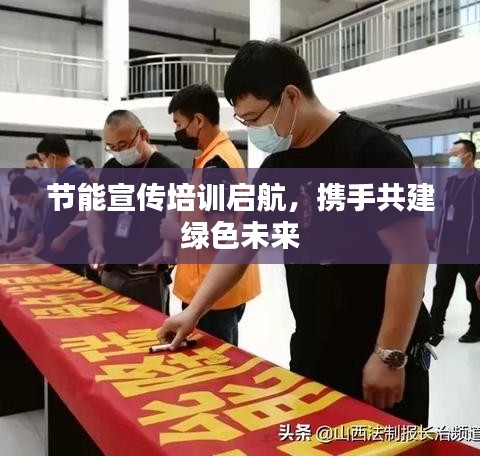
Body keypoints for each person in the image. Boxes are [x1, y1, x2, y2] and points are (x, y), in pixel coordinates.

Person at [157, 40, 432, 426]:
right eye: (244, 122)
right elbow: (241, 246)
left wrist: (389, 354)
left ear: (290, 96)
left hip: (380, 356)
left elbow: (411, 255)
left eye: (255, 118)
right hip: (313, 354)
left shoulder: (372, 150)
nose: (254, 130)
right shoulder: (277, 168)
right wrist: (193, 312)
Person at [145, 84, 260, 345]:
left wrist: (176, 232)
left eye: (179, 123)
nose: (177, 131)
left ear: (198, 120)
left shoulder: (215, 167)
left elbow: (222, 233)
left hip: (211, 294)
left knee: (214, 363)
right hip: (218, 288)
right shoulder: (217, 156)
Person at [88, 110, 182, 312]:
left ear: (143, 135)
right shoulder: (111, 169)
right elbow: (97, 212)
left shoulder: (170, 172)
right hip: (111, 270)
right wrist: (97, 245)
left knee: (147, 328)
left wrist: (158, 257)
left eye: (123, 145)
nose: (118, 152)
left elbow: (179, 227)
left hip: (147, 276)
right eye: (111, 147)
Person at [430, 140, 480, 345]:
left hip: (470, 248)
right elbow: (445, 212)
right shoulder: (451, 182)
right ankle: (435, 328)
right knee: (441, 289)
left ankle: (476, 328)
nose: (452, 158)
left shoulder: (478, 181)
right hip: (448, 248)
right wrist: (438, 237)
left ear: (469, 156)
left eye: (455, 154)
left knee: (474, 292)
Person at [35, 135, 90, 276]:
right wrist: (39, 244)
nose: (44, 165)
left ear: (52, 157)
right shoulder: (62, 176)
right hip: (55, 252)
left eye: (44, 160)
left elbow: (86, 211)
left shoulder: (77, 175)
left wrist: (64, 238)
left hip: (69, 252)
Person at [0, 176, 49, 256]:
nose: (19, 203)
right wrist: (8, 246)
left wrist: (34, 249)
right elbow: (25, 234)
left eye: (20, 200)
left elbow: (51, 229)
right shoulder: (28, 206)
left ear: (32, 196)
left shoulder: (53, 198)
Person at [6, 169, 25, 243]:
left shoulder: (29, 198)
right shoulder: (10, 197)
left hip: (24, 237)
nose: (13, 184)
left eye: (15, 181)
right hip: (12, 234)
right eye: (11, 182)